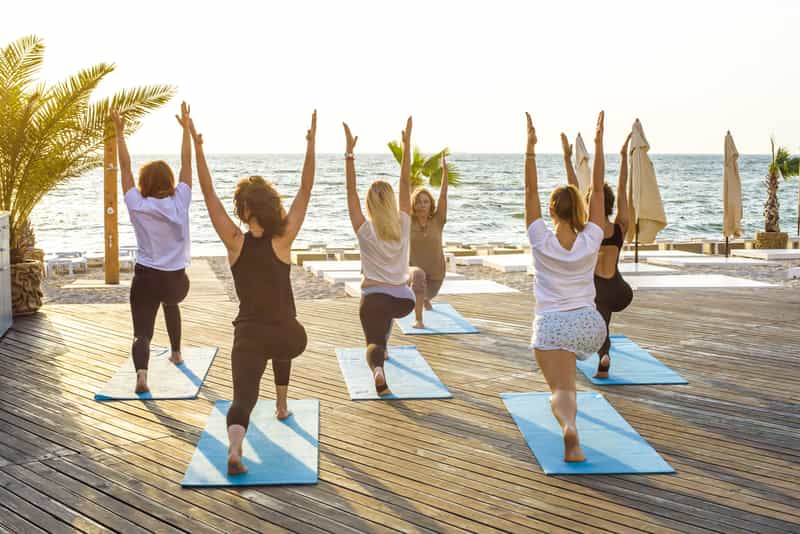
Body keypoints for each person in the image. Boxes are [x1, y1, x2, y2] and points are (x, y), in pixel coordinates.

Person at [189, 110, 316, 475]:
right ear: (270, 206)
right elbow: (306, 190)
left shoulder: (234, 242)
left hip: (247, 335)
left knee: (243, 398)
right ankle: (281, 404)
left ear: (244, 211)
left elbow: (208, 193)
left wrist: (198, 149)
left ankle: (234, 447)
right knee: (286, 334)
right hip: (288, 336)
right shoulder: (283, 238)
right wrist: (310, 145)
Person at [525, 111, 608, 462]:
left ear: (551, 210)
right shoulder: (592, 237)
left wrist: (529, 148)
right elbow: (599, 188)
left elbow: (529, 189)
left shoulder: (540, 239)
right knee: (569, 380)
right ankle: (571, 428)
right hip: (591, 325)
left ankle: (568, 427)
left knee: (560, 390)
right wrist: (600, 144)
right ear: (582, 208)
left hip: (552, 324)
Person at [111, 102, 193, 395]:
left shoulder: (138, 204)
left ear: (144, 184)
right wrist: (187, 132)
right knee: (170, 303)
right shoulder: (180, 200)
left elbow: (125, 169)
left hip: (146, 278)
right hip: (176, 283)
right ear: (170, 182)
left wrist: (120, 133)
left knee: (141, 332)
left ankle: (142, 375)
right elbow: (187, 164)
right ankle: (177, 353)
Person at [344, 117, 415, 395]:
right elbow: (406, 181)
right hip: (404, 301)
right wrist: (406, 146)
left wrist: (350, 154)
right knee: (385, 315)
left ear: (369, 204)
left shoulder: (364, 230)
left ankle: (377, 368)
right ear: (392, 201)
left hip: (373, 297)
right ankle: (383, 350)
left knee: (371, 338)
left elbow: (349, 191)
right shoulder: (404, 222)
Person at [561, 131, 634, 377]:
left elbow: (573, 190)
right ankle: (601, 355)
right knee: (602, 318)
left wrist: (566, 158)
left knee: (594, 318)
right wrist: (624, 157)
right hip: (620, 290)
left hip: (595, 290)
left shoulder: (585, 229)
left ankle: (603, 354)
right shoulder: (620, 227)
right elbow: (623, 189)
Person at [408, 155, 449, 328]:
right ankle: (418, 319)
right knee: (418, 279)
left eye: (425, 202)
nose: (422, 205)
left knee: (425, 293)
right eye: (418, 202)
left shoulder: (438, 220)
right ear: (413, 204)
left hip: (435, 273)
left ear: (431, 205)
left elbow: (444, 196)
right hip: (413, 271)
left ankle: (425, 299)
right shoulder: (407, 221)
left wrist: (445, 172)